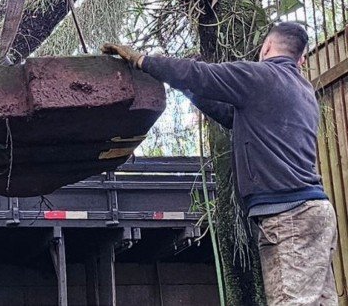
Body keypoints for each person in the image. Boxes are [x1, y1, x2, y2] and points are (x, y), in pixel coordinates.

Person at [103, 22, 337, 305]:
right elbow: (231, 116)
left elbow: (199, 74)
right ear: (300, 59)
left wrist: (143, 61)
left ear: (266, 48)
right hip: (317, 213)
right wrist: (190, 92)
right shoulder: (303, 92)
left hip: (289, 216)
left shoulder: (260, 76)